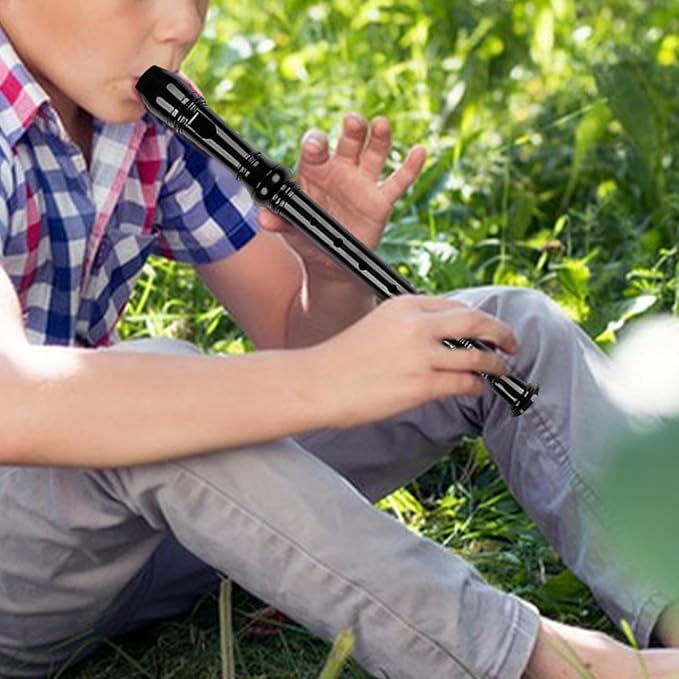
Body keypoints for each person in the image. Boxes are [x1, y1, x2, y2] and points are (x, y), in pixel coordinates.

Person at [0, 1, 678, 678]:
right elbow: (15, 402)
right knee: (159, 397)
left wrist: (329, 277)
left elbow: (292, 339)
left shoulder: (148, 118)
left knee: (504, 330)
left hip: (126, 543)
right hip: (18, 581)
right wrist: (328, 378)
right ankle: (565, 668)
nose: (182, 24)